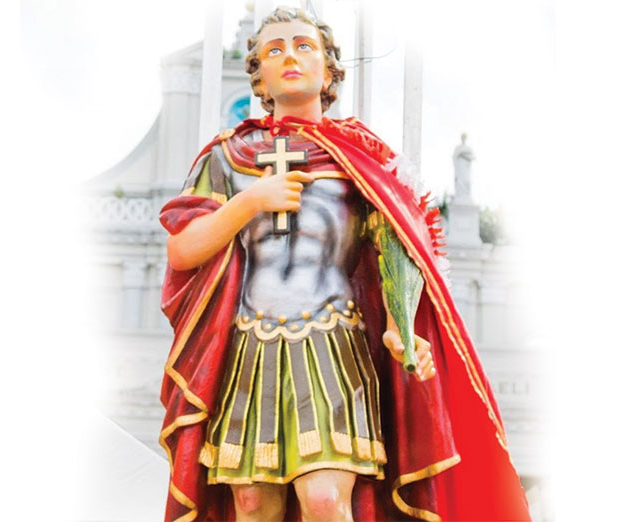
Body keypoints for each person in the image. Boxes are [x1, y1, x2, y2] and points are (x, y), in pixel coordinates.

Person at [159, 7, 531, 522]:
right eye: (274, 50)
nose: (290, 57)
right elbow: (183, 249)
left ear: (329, 69)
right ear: (259, 77)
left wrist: (401, 326)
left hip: (332, 338)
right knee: (250, 502)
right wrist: (251, 201)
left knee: (324, 500)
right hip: (250, 342)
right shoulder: (226, 157)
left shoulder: (358, 155)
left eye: (303, 46)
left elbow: (396, 245)